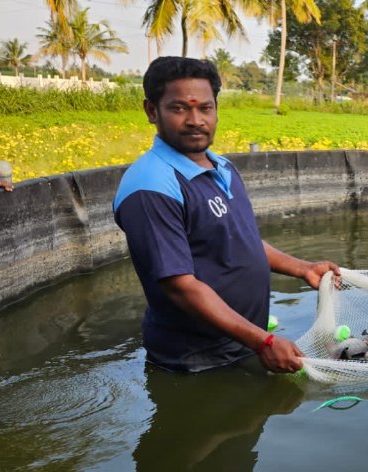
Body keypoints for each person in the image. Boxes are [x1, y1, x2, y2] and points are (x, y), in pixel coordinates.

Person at [113, 56, 339, 375]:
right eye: (179, 108)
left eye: (205, 108)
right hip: (195, 363)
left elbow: (241, 241)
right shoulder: (151, 186)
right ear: (152, 111)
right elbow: (179, 286)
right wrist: (263, 342)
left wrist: (302, 269)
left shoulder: (221, 167)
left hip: (244, 344)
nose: (195, 120)